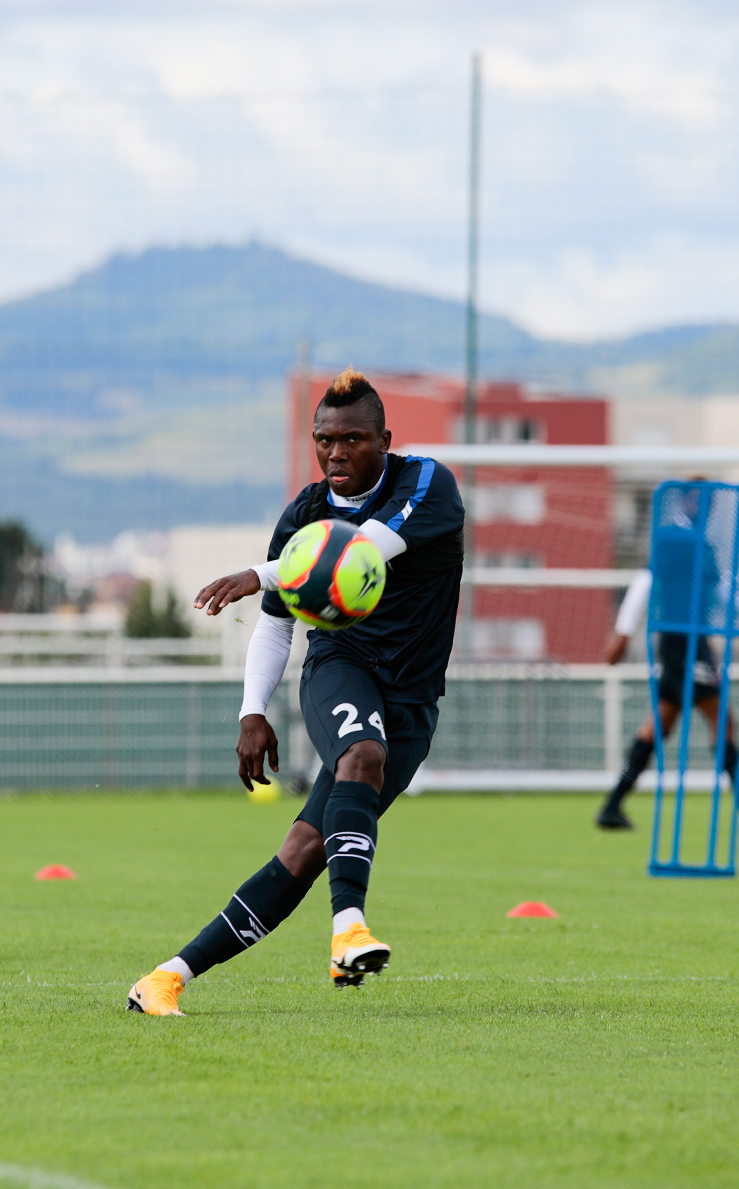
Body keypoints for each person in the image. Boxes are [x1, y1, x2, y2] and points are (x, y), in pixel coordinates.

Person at [127, 368, 465, 1016]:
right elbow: (277, 627)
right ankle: (350, 930)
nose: (336, 453)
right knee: (362, 754)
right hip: (342, 664)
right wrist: (252, 710)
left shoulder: (426, 483)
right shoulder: (304, 515)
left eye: (353, 440)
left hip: (415, 697)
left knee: (305, 850)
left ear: (385, 440)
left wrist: (257, 571)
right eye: (324, 440)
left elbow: (356, 553)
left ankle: (165, 979)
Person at [594, 564, 739, 832]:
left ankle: (612, 806)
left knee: (658, 727)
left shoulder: (691, 549)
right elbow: (647, 582)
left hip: (679, 645)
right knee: (722, 723)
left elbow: (721, 592)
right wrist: (622, 636)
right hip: (686, 647)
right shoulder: (680, 545)